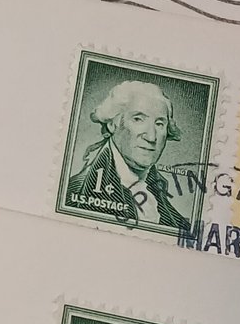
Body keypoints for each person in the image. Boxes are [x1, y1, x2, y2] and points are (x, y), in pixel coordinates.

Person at [65, 78, 193, 235]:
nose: (151, 137)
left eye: (159, 124)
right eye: (138, 119)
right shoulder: (78, 191)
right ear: (112, 124)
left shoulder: (158, 193)